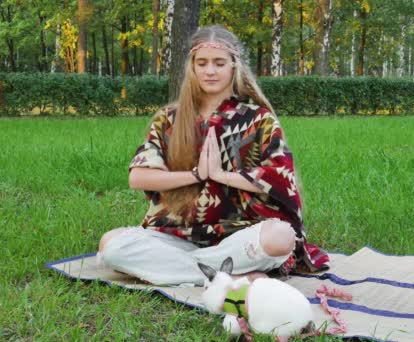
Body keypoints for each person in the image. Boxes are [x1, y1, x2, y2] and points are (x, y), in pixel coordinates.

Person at [98, 25, 329, 286]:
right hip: (177, 235)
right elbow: (139, 177)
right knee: (111, 244)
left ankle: (186, 271)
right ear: (192, 68)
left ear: (234, 66)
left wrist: (222, 175)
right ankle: (230, 275)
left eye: (219, 63)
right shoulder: (169, 119)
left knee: (280, 237)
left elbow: (281, 178)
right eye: (202, 63)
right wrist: (196, 175)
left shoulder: (257, 119)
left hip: (240, 236)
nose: (210, 71)